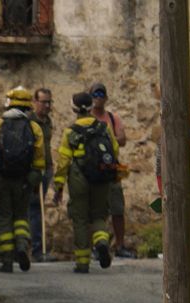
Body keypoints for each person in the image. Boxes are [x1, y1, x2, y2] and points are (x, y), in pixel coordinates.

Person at [52, 93, 117, 274]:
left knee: (80, 219)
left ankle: (82, 263)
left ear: (73, 109)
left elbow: (63, 161)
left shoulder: (70, 131)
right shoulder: (104, 128)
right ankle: (102, 242)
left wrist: (58, 187)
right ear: (91, 108)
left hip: (79, 177)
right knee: (98, 216)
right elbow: (115, 151)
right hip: (101, 177)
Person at [0, 86, 45, 274]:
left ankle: (6, 261)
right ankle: (22, 247)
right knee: (22, 216)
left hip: (2, 178)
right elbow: (39, 157)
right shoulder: (33, 127)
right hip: (23, 179)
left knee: (4, 218)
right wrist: (34, 178)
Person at [89, 84, 129, 256]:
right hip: (93, 169)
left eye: (101, 94)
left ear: (106, 98)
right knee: (96, 210)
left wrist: (104, 135)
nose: (98, 97)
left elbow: (123, 139)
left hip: (113, 167)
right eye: (95, 94)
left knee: (118, 208)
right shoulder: (86, 118)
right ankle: (97, 247)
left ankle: (120, 246)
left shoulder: (113, 118)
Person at [28, 87, 54, 262]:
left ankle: (36, 249)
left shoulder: (47, 121)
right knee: (34, 208)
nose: (47, 105)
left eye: (49, 102)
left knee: (38, 208)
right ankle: (35, 249)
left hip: (46, 169)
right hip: (33, 170)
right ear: (34, 102)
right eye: (44, 102)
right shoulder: (30, 122)